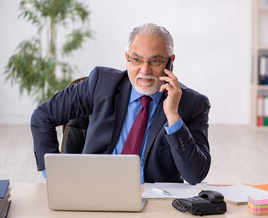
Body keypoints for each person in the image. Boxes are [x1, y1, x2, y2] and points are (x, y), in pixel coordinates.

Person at [31, 23, 211, 185]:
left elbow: (195, 175)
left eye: (155, 61)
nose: (145, 70)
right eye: (137, 59)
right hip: (94, 190)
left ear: (170, 61)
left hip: (152, 200)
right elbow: (43, 116)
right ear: (127, 58)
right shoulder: (101, 83)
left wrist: (173, 116)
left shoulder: (193, 104)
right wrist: (54, 175)